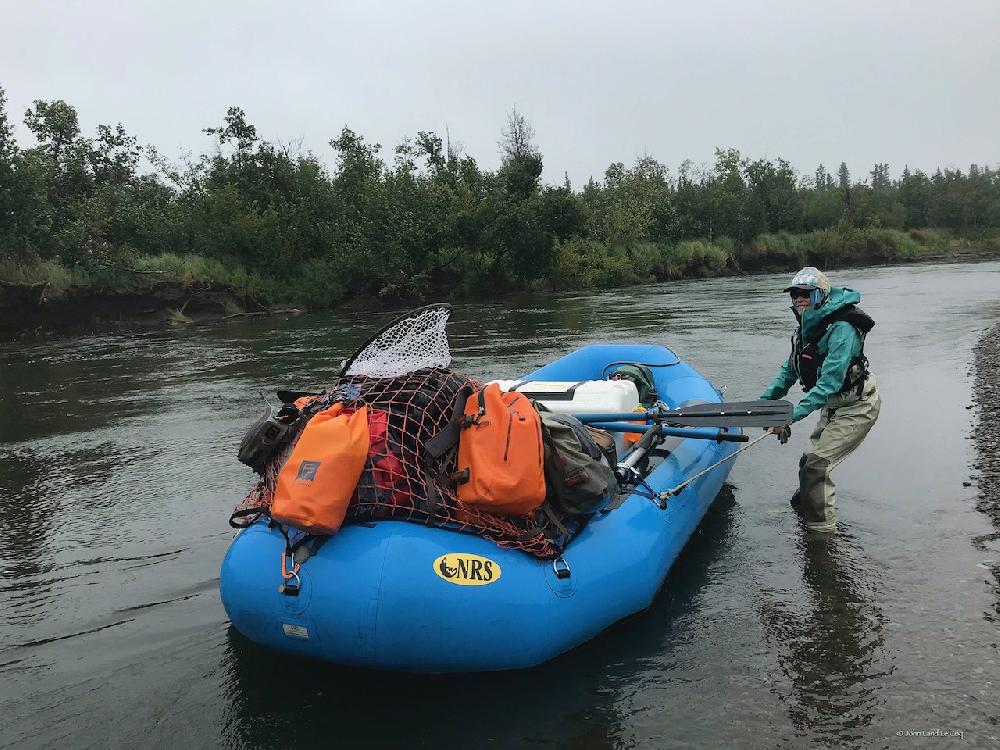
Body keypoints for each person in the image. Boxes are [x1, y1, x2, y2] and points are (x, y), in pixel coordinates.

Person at [760, 267, 881, 533]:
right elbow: (789, 371)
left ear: (821, 296)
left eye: (806, 293)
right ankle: (804, 507)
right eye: (794, 294)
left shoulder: (843, 329)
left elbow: (829, 383)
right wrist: (763, 404)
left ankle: (821, 537)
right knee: (808, 463)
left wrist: (789, 416)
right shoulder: (805, 329)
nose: (799, 298)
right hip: (834, 405)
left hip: (858, 405)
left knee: (817, 466)